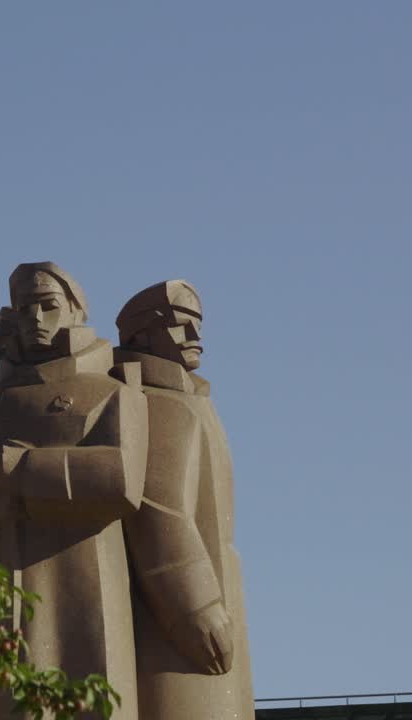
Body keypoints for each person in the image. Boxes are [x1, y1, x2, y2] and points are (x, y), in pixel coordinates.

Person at [0, 262, 148, 719]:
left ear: (76, 312)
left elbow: (121, 478)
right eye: (24, 308)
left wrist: (24, 469)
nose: (36, 319)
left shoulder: (110, 393)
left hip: (78, 587)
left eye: (48, 305)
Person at [114, 280, 254, 720]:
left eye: (197, 325)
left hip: (214, 594)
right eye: (179, 326)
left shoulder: (188, 400)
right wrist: (196, 607)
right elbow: (159, 508)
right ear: (138, 337)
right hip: (184, 624)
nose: (195, 337)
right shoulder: (154, 403)